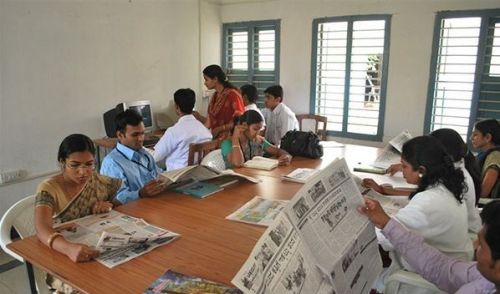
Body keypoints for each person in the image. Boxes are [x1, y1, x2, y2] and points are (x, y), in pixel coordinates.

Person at [34, 134, 121, 291]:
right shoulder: (49, 187)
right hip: (62, 251)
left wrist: (108, 205)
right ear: (62, 162)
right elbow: (41, 228)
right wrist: (69, 249)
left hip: (95, 247)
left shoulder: (97, 180)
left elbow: (117, 203)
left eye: (89, 164)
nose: (83, 172)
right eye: (74, 165)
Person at [359, 197, 500, 293]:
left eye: (481, 245)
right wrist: (386, 224)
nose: (475, 246)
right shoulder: (485, 280)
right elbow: (440, 267)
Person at [373, 136, 472, 270]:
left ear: (422, 170)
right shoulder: (448, 186)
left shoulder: (428, 201)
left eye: (404, 166)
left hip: (429, 279)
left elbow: (387, 239)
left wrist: (379, 218)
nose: (402, 170)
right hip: (452, 264)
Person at [363, 128, 482, 234]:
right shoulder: (452, 173)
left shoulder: (444, 189)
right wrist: (384, 190)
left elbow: (392, 235)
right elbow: (421, 191)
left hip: (467, 236)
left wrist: (384, 215)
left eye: (404, 166)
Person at [100, 109, 164, 204]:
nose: (141, 139)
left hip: (153, 203)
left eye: (142, 133)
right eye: (135, 135)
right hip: (133, 210)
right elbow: (116, 199)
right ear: (120, 135)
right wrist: (140, 193)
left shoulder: (144, 153)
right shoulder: (112, 163)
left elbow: (158, 174)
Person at [153, 88, 212, 170]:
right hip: (198, 176)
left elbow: (155, 157)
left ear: (177, 107)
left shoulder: (173, 131)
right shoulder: (205, 131)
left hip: (176, 178)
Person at [221, 110, 292, 168]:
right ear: (244, 126)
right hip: (234, 182)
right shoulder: (227, 143)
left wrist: (287, 156)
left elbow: (278, 151)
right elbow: (238, 164)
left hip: (255, 178)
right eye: (255, 129)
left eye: (259, 129)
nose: (258, 133)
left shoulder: (258, 140)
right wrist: (235, 138)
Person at [202, 64, 245, 139]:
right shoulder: (215, 96)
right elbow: (209, 122)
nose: (205, 83)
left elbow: (240, 120)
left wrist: (220, 128)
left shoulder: (233, 95)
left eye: (206, 79)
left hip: (231, 139)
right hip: (215, 138)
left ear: (215, 79)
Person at [471, 119, 500, 198]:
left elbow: (483, 193)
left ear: (487, 137)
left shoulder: (495, 157)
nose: (471, 138)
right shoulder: (483, 154)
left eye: (475, 135)